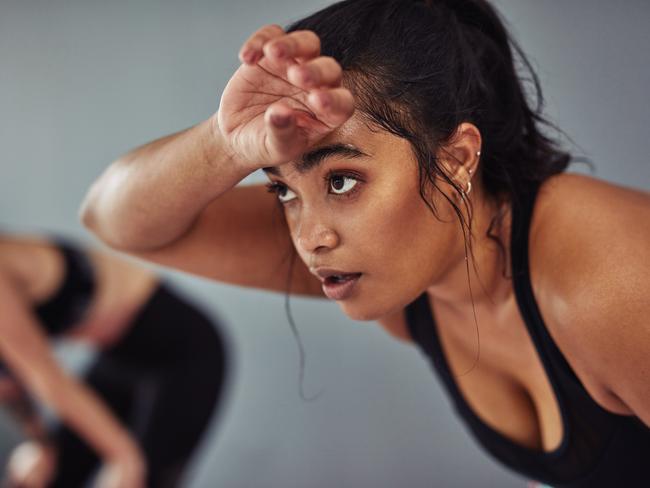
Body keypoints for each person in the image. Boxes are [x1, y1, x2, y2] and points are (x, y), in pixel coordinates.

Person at [79, 0, 650, 486]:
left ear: (455, 159)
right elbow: (114, 219)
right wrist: (225, 146)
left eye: (342, 180)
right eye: (283, 190)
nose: (310, 237)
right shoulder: (401, 260)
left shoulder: (614, 281)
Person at [0, 233, 228, 488]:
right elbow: (8, 382)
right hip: (117, 361)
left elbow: (45, 377)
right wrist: (41, 443)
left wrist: (124, 458)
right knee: (38, 481)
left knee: (138, 478)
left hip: (181, 351)